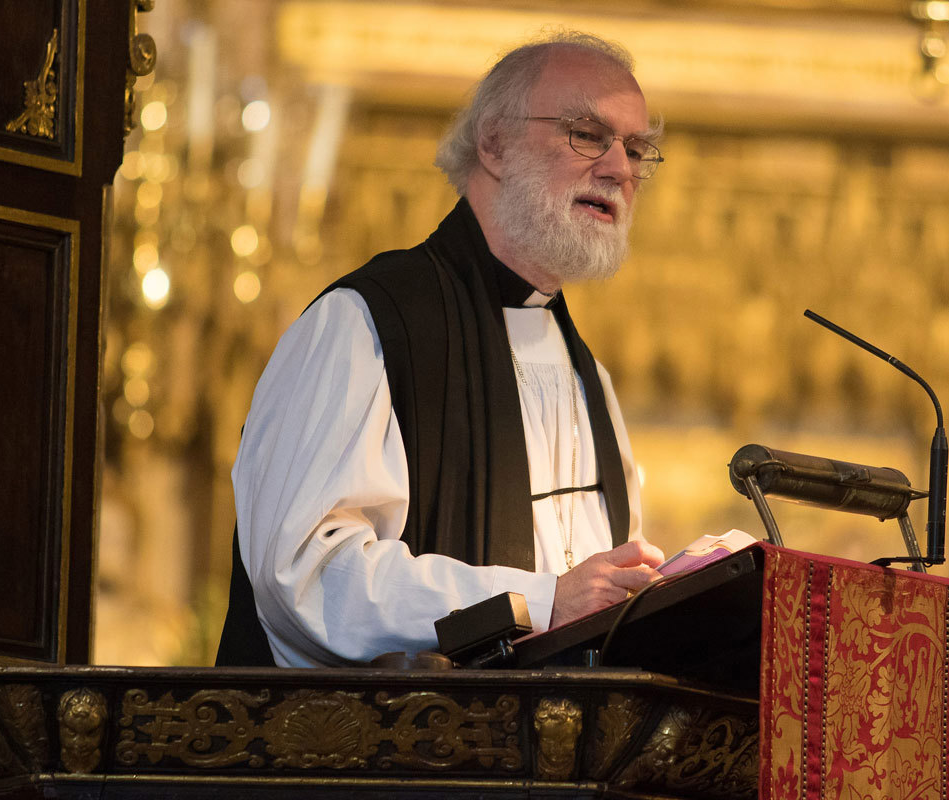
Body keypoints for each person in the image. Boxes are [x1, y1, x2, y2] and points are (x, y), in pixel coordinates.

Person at [218, 31, 666, 668]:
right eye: (587, 135)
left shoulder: (586, 372)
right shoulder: (366, 324)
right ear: (494, 144)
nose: (619, 169)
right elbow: (308, 574)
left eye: (637, 149)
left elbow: (590, 595)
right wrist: (538, 601)